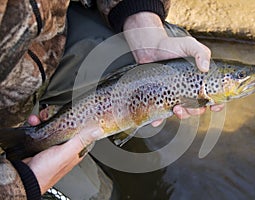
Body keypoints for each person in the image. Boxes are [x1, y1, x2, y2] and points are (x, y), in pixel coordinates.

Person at [0, 0, 224, 199]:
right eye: (237, 77)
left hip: (43, 43)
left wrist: (138, 14)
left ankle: (37, 130)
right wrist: (24, 187)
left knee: (173, 49)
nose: (241, 80)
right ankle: (35, 140)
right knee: (97, 195)